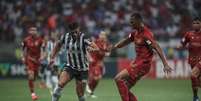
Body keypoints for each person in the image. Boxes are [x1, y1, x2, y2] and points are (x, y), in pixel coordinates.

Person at [110, 12, 172, 101]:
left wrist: (165, 64)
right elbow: (126, 41)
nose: (130, 24)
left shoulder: (146, 34)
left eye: (132, 22)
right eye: (130, 22)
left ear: (139, 21)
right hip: (137, 63)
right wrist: (115, 46)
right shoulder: (135, 33)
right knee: (125, 88)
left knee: (118, 78)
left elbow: (157, 47)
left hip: (142, 64)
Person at [50, 22, 99, 101]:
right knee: (60, 84)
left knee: (80, 94)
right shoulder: (65, 37)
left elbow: (96, 48)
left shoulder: (84, 37)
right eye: (73, 33)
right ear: (70, 31)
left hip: (83, 69)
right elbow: (58, 45)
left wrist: (92, 49)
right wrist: (52, 56)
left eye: (76, 32)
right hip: (71, 67)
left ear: (79, 29)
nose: (75, 34)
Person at [177, 17, 201, 101]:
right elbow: (182, 42)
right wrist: (180, 46)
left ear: (200, 24)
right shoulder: (188, 34)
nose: (196, 25)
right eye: (194, 23)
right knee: (196, 80)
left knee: (193, 75)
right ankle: (195, 96)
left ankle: (195, 98)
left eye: (197, 23)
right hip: (192, 61)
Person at [22, 27, 44, 100]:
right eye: (31, 30)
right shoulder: (26, 40)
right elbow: (23, 49)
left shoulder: (40, 40)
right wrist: (23, 57)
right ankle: (33, 94)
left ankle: (32, 80)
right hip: (30, 59)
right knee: (31, 75)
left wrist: (42, 56)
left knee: (34, 77)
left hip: (37, 61)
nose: (33, 31)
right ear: (29, 32)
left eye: (34, 30)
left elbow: (43, 49)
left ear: (36, 32)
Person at [86, 31, 111, 98]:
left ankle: (91, 91)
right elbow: (87, 50)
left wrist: (106, 53)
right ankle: (88, 85)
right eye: (101, 34)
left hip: (100, 62)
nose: (102, 36)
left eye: (104, 35)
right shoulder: (95, 41)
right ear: (99, 35)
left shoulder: (107, 43)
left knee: (98, 78)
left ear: (105, 36)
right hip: (94, 62)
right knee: (96, 77)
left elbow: (108, 53)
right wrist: (89, 58)